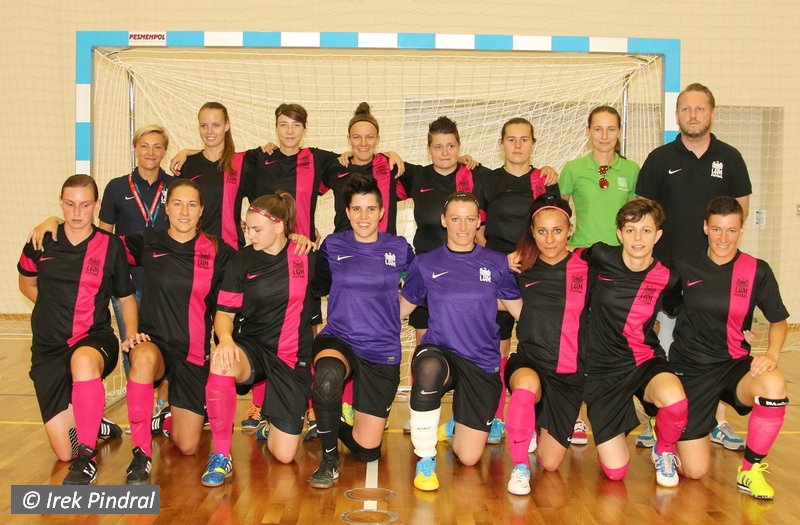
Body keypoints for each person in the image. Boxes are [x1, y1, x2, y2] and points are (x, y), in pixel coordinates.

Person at [635, 83, 752, 450]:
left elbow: (741, 211)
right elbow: (642, 214)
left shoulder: (730, 158)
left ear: (712, 113)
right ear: (677, 115)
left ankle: (716, 420)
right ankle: (660, 420)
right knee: (662, 345)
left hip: (716, 277)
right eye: (686, 108)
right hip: (667, 274)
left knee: (716, 347)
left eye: (700, 108)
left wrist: (721, 256)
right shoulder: (659, 159)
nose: (693, 115)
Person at [18, 175, 137, 485]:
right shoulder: (41, 239)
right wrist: (54, 308)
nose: (76, 212)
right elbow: (26, 283)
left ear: (96, 205)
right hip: (48, 347)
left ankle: (88, 458)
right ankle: (93, 424)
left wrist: (131, 335)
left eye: (85, 205)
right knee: (63, 453)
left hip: (93, 339)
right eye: (69, 204)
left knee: (83, 362)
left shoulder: (110, 245)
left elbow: (126, 297)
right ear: (60, 203)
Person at [666, 197, 788, 499]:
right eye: (717, 229)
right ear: (705, 227)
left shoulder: (757, 270)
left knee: (773, 384)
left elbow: (779, 321)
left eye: (731, 230)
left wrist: (771, 354)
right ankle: (669, 427)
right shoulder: (684, 265)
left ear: (741, 230)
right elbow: (668, 305)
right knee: (694, 471)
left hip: (734, 365)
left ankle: (750, 470)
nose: (723, 238)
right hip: (691, 368)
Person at [400, 192, 522, 491]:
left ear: (479, 221)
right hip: (441, 350)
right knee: (428, 368)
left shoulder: (497, 263)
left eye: (470, 219)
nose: (463, 227)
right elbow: (402, 309)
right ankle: (425, 458)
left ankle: (457, 423)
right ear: (444, 221)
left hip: (481, 360)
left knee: (468, 457)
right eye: (455, 219)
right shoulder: (426, 263)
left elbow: (520, 311)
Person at [121, 179, 234, 485]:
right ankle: (141, 453)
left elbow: (256, 260)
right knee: (142, 359)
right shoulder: (148, 241)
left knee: (187, 446)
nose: (184, 212)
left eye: (192, 205)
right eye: (178, 204)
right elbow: (100, 244)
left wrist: (295, 239)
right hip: (153, 344)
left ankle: (165, 417)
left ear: (202, 211)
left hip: (192, 353)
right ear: (167, 208)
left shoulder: (218, 251)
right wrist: (56, 222)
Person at [201, 191, 317, 486]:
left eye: (256, 229)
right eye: (247, 228)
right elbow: (224, 314)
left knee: (284, 455)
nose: (249, 235)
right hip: (254, 348)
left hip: (292, 357)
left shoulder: (305, 255)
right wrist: (225, 339)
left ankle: (272, 422)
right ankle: (221, 455)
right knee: (222, 361)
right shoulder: (241, 260)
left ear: (279, 226)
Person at [307, 173, 414, 489]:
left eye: (370, 209)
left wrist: (397, 310)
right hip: (340, 337)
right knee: (327, 378)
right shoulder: (333, 245)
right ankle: (329, 459)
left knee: (367, 450)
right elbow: (318, 286)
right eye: (356, 209)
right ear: (347, 212)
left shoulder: (399, 248)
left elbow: (419, 288)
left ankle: (332, 422)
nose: (363, 216)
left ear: (382, 212)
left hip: (381, 348)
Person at [580, 198, 687, 488]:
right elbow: (562, 262)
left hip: (643, 360)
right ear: (619, 234)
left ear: (658, 235)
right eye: (630, 230)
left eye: (646, 230)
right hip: (602, 370)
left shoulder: (668, 277)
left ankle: (663, 449)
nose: (638, 238)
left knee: (675, 401)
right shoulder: (600, 255)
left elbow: (686, 311)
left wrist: (741, 327)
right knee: (616, 472)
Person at [471, 117, 560, 444]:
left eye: (524, 139)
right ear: (502, 143)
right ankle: (495, 417)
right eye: (511, 139)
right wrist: (499, 262)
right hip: (498, 273)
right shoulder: (487, 180)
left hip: (535, 272)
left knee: (540, 344)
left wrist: (529, 256)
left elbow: (554, 229)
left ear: (533, 143)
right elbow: (476, 231)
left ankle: (537, 417)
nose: (518, 145)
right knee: (498, 347)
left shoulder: (545, 181)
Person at [558, 106, 640, 446]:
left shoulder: (632, 170)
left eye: (611, 129)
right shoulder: (574, 169)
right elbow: (557, 210)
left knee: (615, 337)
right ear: (588, 131)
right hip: (582, 262)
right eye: (598, 129)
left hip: (620, 265)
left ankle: (613, 410)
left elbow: (638, 217)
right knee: (577, 335)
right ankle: (575, 416)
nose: (604, 136)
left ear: (619, 132)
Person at [503, 196, 591, 495]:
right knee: (525, 388)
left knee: (551, 464)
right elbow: (488, 287)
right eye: (542, 231)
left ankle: (534, 422)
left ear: (569, 230)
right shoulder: (521, 267)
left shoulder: (588, 266)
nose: (549, 239)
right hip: (531, 361)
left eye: (557, 230)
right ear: (532, 231)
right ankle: (519, 467)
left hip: (568, 373)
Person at [322, 102, 408, 235]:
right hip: (344, 245)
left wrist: (390, 154)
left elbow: (431, 177)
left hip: (383, 246)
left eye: (370, 137)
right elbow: (304, 190)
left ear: (378, 139)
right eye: (356, 137)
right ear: (349, 139)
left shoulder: (391, 166)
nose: (363, 143)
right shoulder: (336, 167)